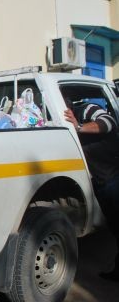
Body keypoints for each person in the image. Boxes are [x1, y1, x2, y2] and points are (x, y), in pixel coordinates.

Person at [64, 99, 119, 281]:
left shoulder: (87, 108)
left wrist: (78, 126)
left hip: (113, 176)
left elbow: (109, 122)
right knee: (114, 226)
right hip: (99, 181)